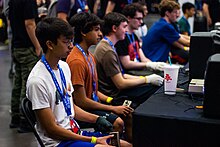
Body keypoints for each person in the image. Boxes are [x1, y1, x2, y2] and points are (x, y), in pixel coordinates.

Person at [27, 17, 131, 147]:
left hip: (75, 132)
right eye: (66, 42)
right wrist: (93, 140)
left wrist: (98, 119)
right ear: (50, 44)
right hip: (58, 143)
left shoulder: (64, 67)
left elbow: (71, 108)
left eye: (71, 41)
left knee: (126, 145)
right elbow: (52, 130)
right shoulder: (37, 81)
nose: (71, 46)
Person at [66, 12, 133, 140]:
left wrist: (111, 100)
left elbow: (94, 91)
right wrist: (112, 108)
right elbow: (81, 101)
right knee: (118, 123)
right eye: (96, 30)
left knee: (128, 113)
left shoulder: (89, 56)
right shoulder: (77, 61)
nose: (100, 34)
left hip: (92, 105)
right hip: (81, 111)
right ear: (84, 32)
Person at [94, 12, 163, 110]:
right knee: (155, 90)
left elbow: (122, 75)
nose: (126, 30)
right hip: (115, 95)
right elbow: (120, 84)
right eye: (124, 27)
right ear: (114, 28)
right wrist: (146, 80)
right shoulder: (107, 51)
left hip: (116, 89)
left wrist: (145, 79)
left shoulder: (108, 46)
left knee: (150, 85)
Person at [8, 0, 42, 132]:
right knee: (27, 83)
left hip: (17, 45)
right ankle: (25, 120)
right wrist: (38, 45)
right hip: (27, 46)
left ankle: (15, 117)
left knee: (18, 83)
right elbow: (29, 24)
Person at [115, 3, 166, 76]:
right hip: (130, 73)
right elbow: (127, 64)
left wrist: (154, 64)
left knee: (161, 73)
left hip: (138, 69)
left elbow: (143, 58)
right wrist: (147, 65)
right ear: (128, 18)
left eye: (142, 19)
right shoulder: (122, 38)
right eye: (138, 19)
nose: (141, 22)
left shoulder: (134, 36)